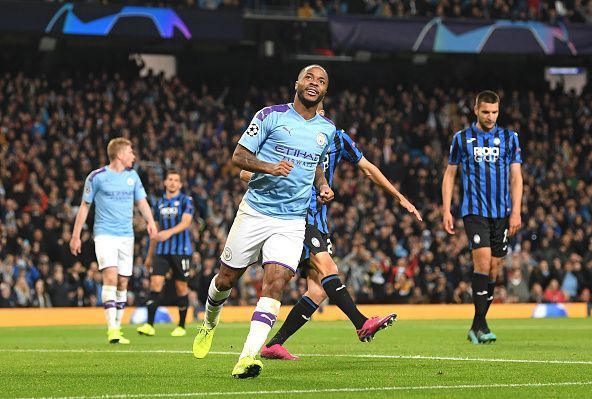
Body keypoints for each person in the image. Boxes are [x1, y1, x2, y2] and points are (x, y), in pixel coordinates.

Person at [242, 104, 423, 361]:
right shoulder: (285, 134)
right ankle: (361, 323)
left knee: (317, 289)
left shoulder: (336, 137)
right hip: (293, 216)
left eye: (320, 112)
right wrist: (271, 175)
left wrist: (399, 197)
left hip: (319, 221)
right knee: (328, 268)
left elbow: (367, 167)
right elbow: (244, 170)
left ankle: (274, 345)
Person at [191, 65, 335, 379]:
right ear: (297, 83)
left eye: (321, 81)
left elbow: (316, 166)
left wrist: (322, 185)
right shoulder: (270, 116)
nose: (314, 83)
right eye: (309, 77)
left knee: (276, 283)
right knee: (225, 280)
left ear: (325, 91)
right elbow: (238, 157)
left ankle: (247, 357)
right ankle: (208, 324)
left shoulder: (327, 129)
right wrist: (269, 167)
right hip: (255, 212)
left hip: (292, 221)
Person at [442, 90, 523, 344]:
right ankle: (482, 325)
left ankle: (477, 325)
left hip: (502, 213)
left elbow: (516, 177)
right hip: (474, 210)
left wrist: (517, 211)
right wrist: (446, 209)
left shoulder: (510, 139)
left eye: (494, 112)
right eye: (485, 111)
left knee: (494, 269)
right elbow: (450, 174)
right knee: (483, 262)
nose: (490, 116)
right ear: (475, 110)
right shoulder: (462, 138)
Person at [70, 137, 157, 344]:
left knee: (123, 281)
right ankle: (112, 330)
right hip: (104, 234)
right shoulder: (97, 177)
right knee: (110, 276)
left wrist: (150, 222)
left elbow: (142, 202)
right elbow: (84, 206)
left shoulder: (133, 177)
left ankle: (118, 326)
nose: (133, 156)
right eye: (130, 152)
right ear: (119, 154)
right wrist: (75, 235)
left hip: (127, 236)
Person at [137, 169, 194, 337]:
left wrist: (168, 233)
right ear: (165, 182)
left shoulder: (186, 200)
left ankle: (181, 326)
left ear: (180, 184)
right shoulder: (159, 203)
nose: (173, 182)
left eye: (176, 180)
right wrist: (149, 255)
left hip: (181, 251)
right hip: (161, 251)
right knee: (155, 284)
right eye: (170, 179)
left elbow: (186, 223)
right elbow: (154, 231)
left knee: (181, 287)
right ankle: (149, 325)